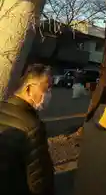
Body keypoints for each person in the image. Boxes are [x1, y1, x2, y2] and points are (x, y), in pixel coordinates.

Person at [0, 64, 54, 195]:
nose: (49, 95)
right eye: (46, 89)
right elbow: (39, 181)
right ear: (29, 88)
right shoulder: (33, 127)